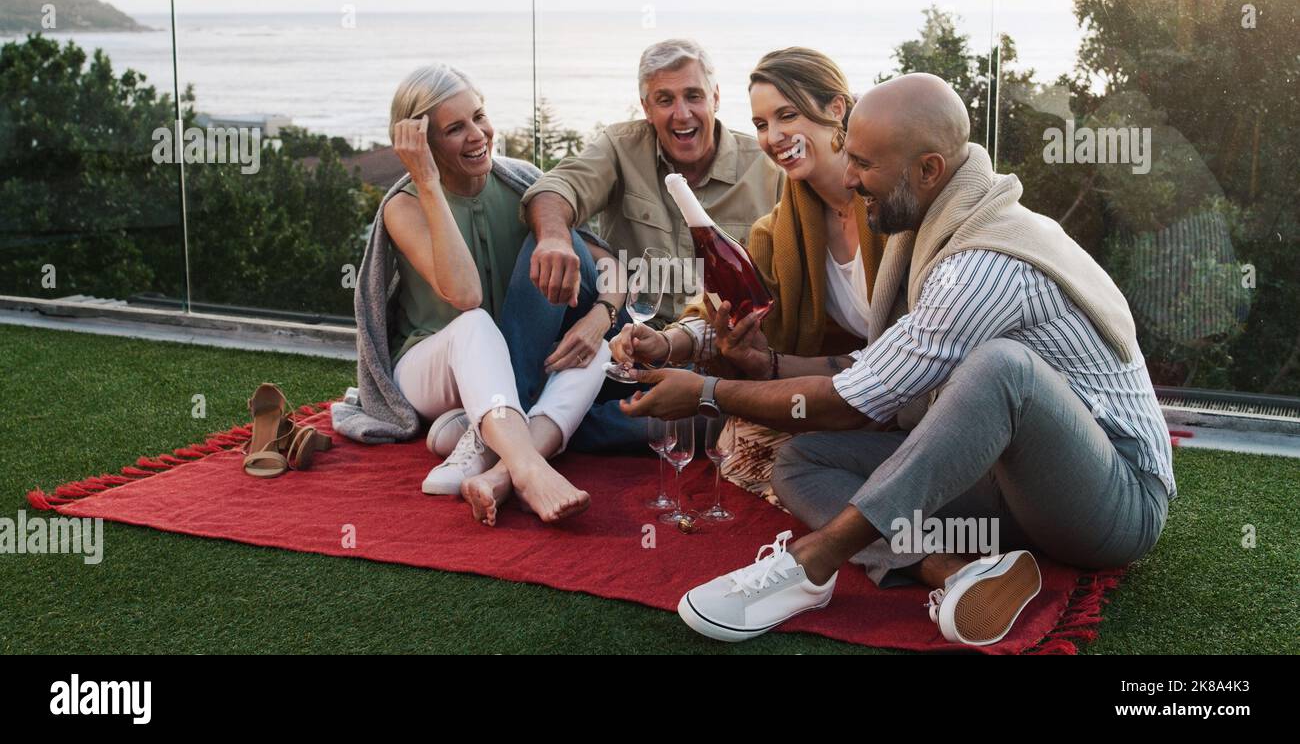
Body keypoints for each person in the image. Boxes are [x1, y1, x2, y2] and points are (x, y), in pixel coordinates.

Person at [622, 73, 1174, 647]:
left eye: (863, 163)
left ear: (929, 170)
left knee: (1004, 368)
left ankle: (812, 564)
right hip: (1014, 486)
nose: (852, 178)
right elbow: (877, 372)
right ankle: (956, 576)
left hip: (1112, 502)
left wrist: (704, 392)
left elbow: (852, 403)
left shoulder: (984, 263)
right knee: (802, 462)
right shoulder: (937, 227)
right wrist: (759, 366)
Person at [339, 62, 625, 526]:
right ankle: (529, 468)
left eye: (479, 115)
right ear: (425, 145)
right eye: (455, 128)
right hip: (433, 365)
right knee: (474, 325)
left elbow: (605, 260)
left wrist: (601, 316)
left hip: (511, 366)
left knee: (593, 350)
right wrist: (429, 182)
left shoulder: (522, 181)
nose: (478, 134)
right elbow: (466, 295)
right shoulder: (405, 205)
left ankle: (492, 466)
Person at [610, 47, 898, 504]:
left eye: (788, 115)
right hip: (848, 387)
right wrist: (664, 344)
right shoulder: (780, 228)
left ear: (835, 109)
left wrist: (744, 379)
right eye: (762, 125)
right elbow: (727, 309)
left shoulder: (890, 202)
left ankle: (871, 496)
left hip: (910, 387)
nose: (774, 136)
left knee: (764, 448)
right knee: (738, 443)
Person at [515, 38, 784, 451]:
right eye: (665, 99)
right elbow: (556, 187)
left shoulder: (766, 169)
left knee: (671, 427)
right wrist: (554, 238)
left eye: (693, 96)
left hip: (709, 358)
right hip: (623, 340)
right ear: (646, 108)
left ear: (714, 97)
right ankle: (514, 401)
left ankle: (534, 424)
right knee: (552, 239)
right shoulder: (622, 147)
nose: (682, 113)